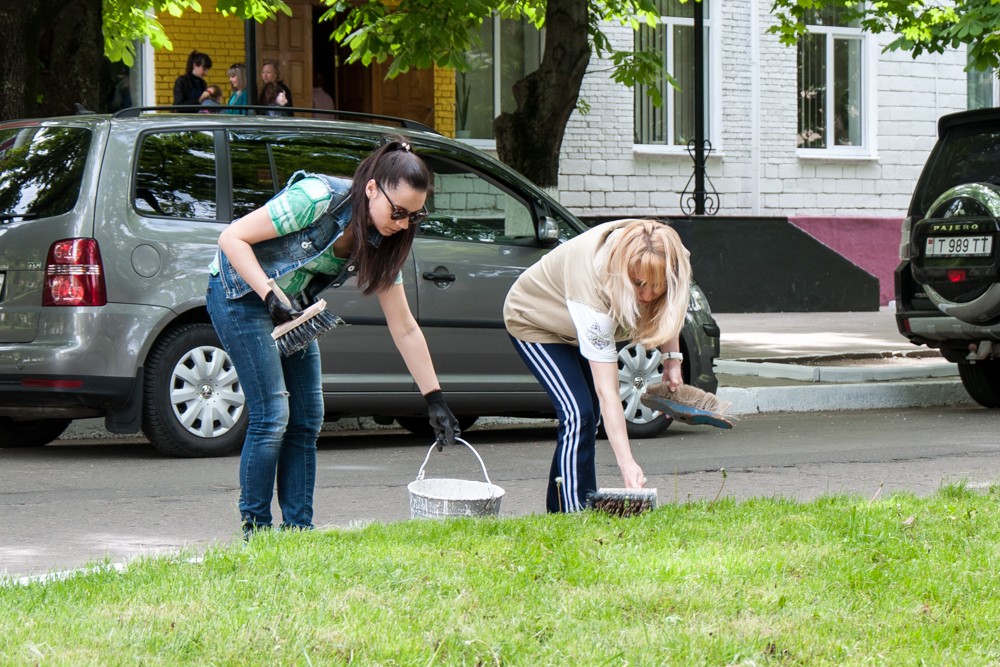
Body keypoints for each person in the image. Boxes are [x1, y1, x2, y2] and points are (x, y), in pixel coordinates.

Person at [206, 136, 461, 537]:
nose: (402, 224)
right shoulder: (316, 197)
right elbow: (231, 238)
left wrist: (435, 399)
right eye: (397, 212)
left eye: (413, 217)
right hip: (239, 293)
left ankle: (298, 531)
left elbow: (405, 326)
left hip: (293, 306)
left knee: (307, 417)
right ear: (372, 189)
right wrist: (270, 295)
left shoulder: (383, 240)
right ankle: (257, 532)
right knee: (273, 415)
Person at [503, 219, 692, 513]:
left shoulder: (673, 258)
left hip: (575, 323)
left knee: (586, 416)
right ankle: (570, 514)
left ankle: (571, 503)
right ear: (624, 272)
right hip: (536, 321)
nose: (646, 296)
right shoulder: (593, 287)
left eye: (656, 286)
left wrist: (672, 360)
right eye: (638, 284)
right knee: (578, 413)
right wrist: (627, 464)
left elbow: (667, 307)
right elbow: (608, 393)